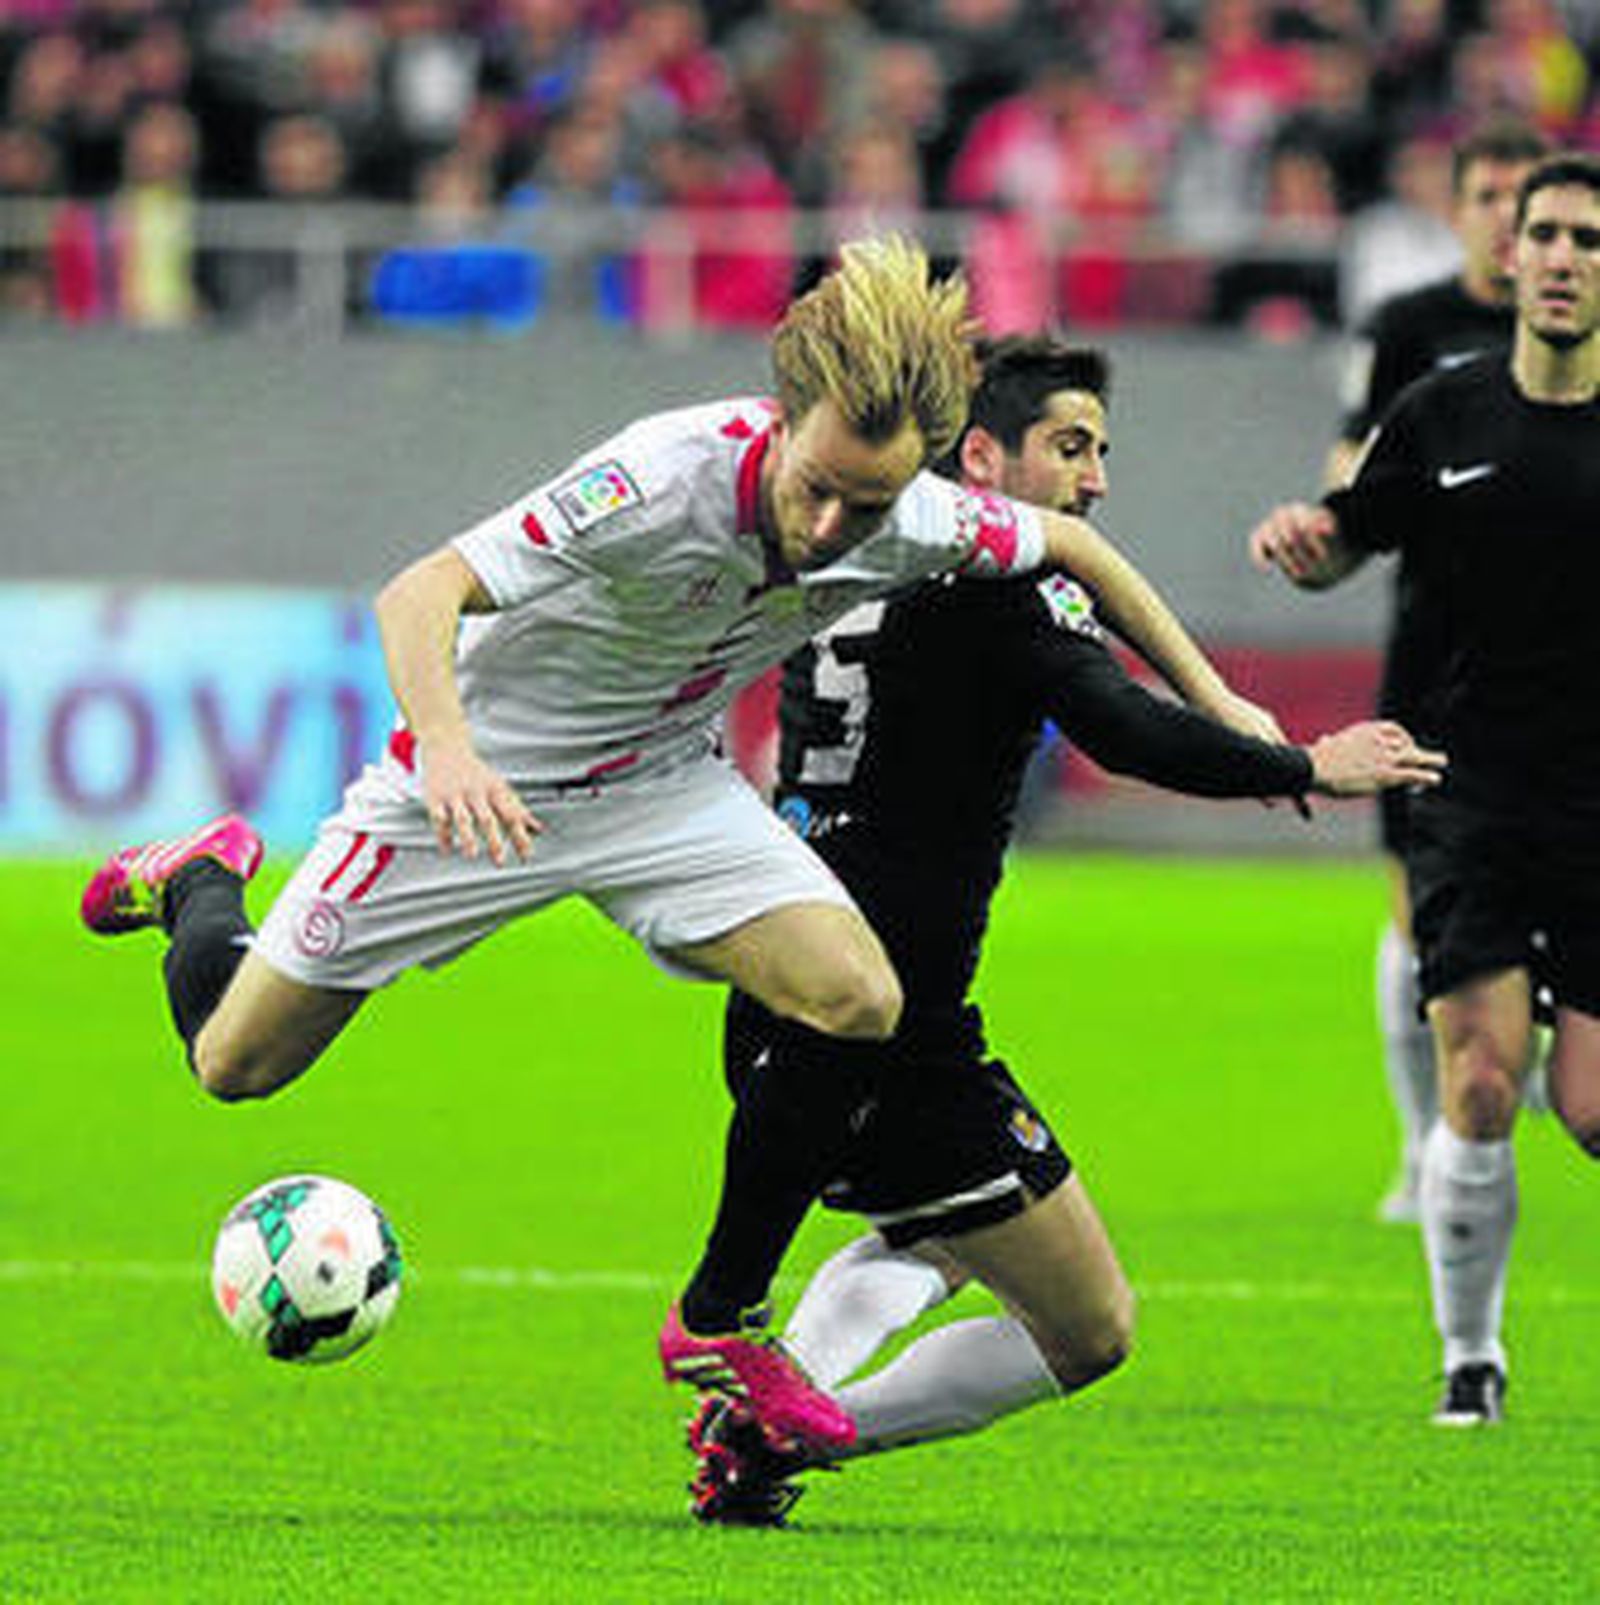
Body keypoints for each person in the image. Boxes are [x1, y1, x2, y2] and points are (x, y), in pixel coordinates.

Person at [81, 235, 1277, 1313]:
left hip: (660, 789)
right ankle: (199, 880)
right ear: (783, 420)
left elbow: (1071, 543)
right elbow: (421, 590)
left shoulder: (918, 517)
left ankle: (721, 1321)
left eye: (863, 507)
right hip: (483, 781)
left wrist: (1216, 699)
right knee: (235, 1064)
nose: (828, 529)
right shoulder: (659, 477)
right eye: (815, 489)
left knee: (858, 993)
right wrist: (445, 747)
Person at [659, 335, 1446, 1524]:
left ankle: (772, 1406)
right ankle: (774, 1436)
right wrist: (1303, 764)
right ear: (982, 458)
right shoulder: (1001, 584)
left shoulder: (849, 551)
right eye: (1070, 447)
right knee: (1088, 1329)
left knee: (939, 1239)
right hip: (892, 1028)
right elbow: (1119, 724)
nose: (1095, 479)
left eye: (1100, 450)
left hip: (792, 982)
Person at [1249, 153, 1600, 1426]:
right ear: (1509, 252)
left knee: (1589, 1109)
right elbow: (1349, 542)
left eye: (1588, 240)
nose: (1560, 257)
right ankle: (1470, 1356)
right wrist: (1306, 545)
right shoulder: (1442, 413)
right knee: (1484, 1080)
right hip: (1470, 789)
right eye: (1544, 232)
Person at [1327, 119, 1547, 1225]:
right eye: (1490, 198)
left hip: (1563, 670)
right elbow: (1350, 468)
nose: (1510, 222)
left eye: (1527, 203)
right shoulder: (1408, 330)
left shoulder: (1574, 332)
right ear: (1457, 211)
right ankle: (1423, 1143)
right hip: (1436, 657)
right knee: (1418, 908)